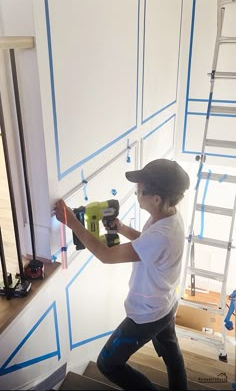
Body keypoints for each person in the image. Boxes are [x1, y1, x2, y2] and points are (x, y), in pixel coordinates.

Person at [54, 158, 190, 390]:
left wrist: (72, 222)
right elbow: (149, 244)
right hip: (166, 304)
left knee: (107, 364)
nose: (136, 193)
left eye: (139, 190)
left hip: (147, 316)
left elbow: (106, 256)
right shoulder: (170, 214)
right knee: (171, 352)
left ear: (156, 199)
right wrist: (123, 229)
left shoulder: (162, 233)